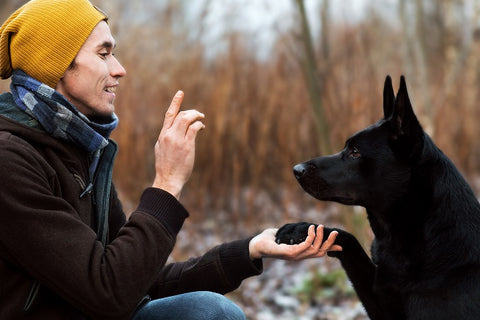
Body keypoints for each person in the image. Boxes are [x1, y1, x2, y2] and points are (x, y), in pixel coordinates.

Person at [0, 1, 342, 319]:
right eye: (104, 54)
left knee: (209, 310)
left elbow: (140, 281)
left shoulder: (81, 150)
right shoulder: (10, 160)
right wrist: (166, 183)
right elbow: (109, 290)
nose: (119, 69)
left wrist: (249, 250)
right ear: (56, 64)